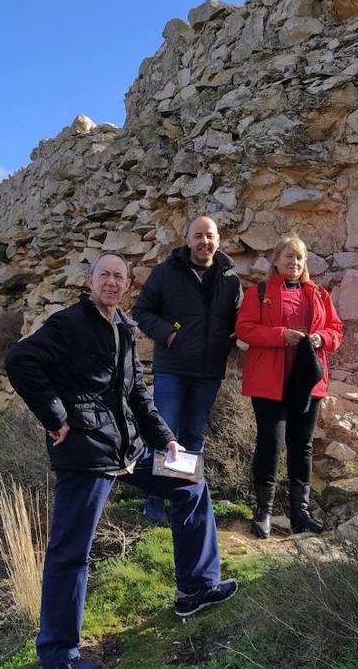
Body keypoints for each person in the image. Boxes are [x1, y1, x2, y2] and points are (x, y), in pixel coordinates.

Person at [5, 252, 238, 669]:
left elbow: (138, 397)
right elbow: (19, 361)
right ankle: (58, 656)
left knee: (192, 479)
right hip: (87, 455)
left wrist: (167, 440)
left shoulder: (125, 329)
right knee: (70, 552)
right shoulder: (68, 323)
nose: (112, 282)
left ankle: (196, 589)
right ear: (90, 281)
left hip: (132, 450)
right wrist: (55, 417)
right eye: (105, 275)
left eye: (119, 277)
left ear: (128, 286)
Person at [132, 216, 242, 523]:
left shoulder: (230, 279)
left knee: (194, 435)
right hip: (173, 367)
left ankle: (185, 498)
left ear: (218, 239)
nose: (204, 242)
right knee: (165, 431)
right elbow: (141, 311)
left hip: (209, 371)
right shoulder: (166, 273)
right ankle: (154, 502)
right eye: (198, 236)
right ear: (188, 239)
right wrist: (169, 334)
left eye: (210, 236)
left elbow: (239, 319)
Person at [235, 236, 343, 537]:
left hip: (306, 381)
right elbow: (243, 329)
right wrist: (280, 335)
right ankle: (264, 511)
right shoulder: (258, 293)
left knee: (302, 446)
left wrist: (322, 338)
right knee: (271, 444)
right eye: (288, 257)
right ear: (276, 260)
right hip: (269, 381)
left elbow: (336, 330)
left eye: (299, 258)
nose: (294, 263)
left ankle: (300, 514)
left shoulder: (319, 294)